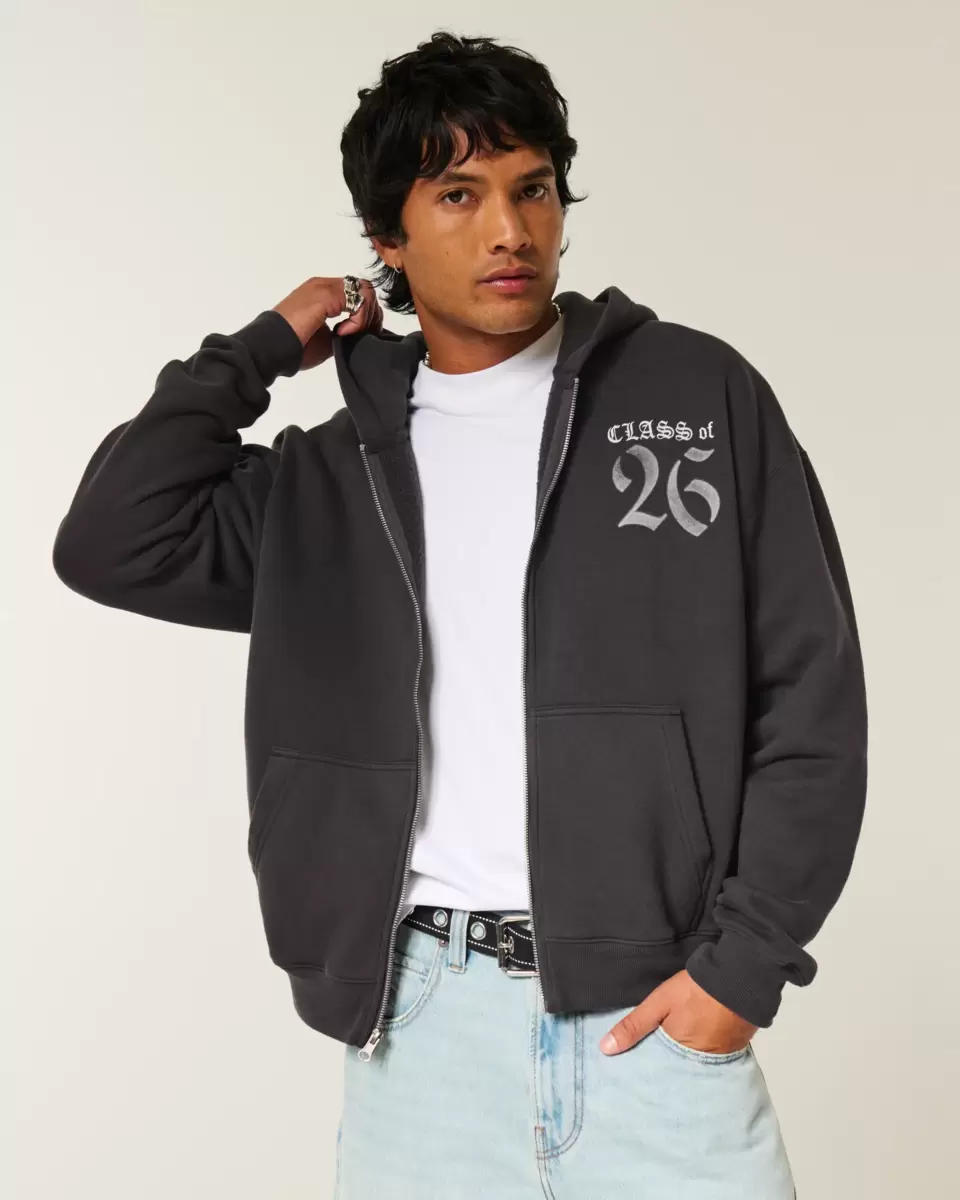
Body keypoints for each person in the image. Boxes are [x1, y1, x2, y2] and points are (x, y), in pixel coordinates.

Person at [52, 29, 867, 1200]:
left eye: (533, 189)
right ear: (385, 238)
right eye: (458, 195)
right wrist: (261, 347)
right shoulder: (327, 481)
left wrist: (740, 975)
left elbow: (811, 697)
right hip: (420, 1028)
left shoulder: (697, 396)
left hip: (657, 1021)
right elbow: (109, 538)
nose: (510, 231)